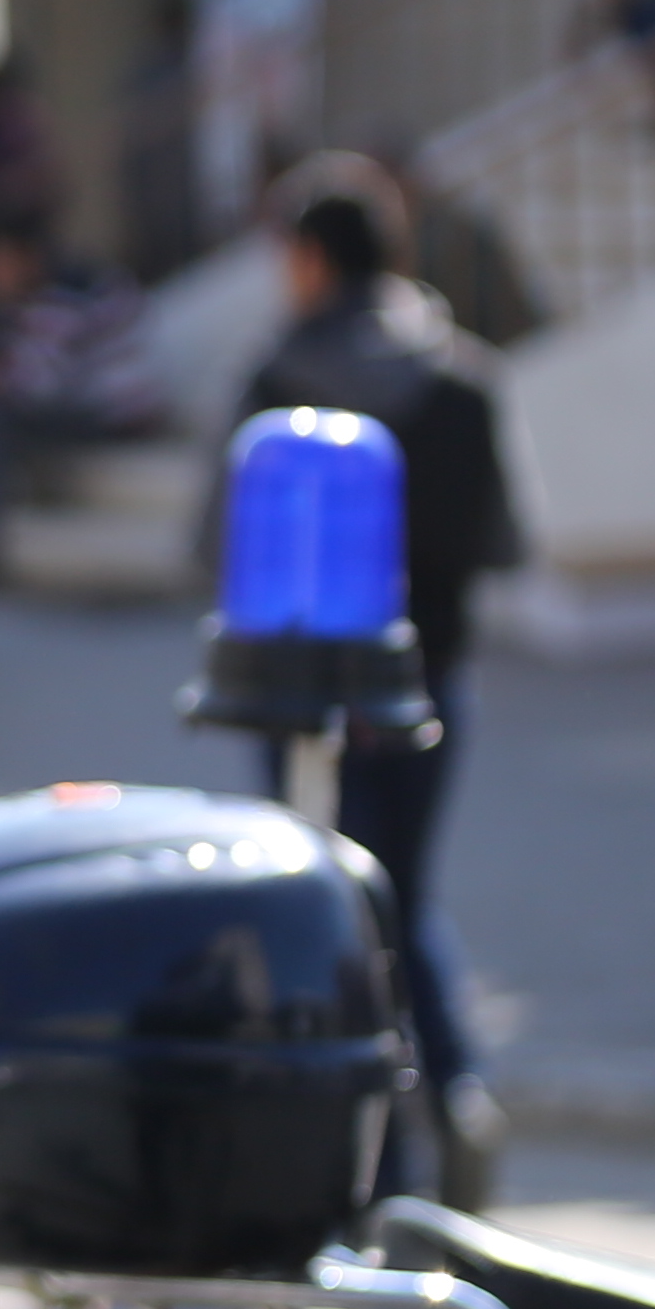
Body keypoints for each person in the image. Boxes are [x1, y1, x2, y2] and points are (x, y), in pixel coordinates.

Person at [232, 155, 526, 1145]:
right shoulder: (464, 379)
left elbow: (225, 550)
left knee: (335, 907)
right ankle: (456, 1093)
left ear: (312, 259)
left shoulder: (279, 389)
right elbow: (496, 545)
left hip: (305, 698)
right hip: (427, 681)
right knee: (403, 888)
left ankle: (371, 1137)